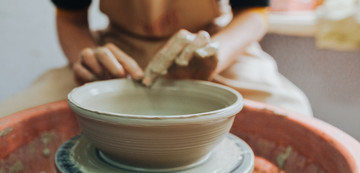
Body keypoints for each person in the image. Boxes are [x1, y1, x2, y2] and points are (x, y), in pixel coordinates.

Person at [0, 0, 312, 117]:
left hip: (210, 43)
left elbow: (254, 13)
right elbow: (71, 18)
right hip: (121, 50)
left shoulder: (214, 50)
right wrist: (86, 58)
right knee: (11, 122)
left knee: (294, 115)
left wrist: (217, 54)